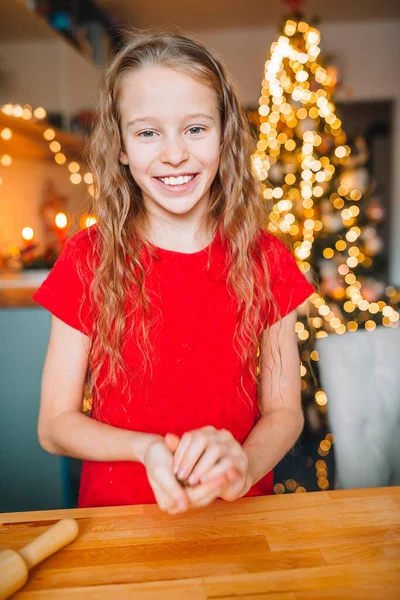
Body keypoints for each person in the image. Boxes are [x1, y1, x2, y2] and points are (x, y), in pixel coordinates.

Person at [33, 29, 315, 515]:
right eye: (147, 132)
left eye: (195, 128)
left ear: (224, 134)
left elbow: (285, 412)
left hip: (242, 518)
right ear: (120, 145)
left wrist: (245, 465)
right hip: (118, 524)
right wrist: (146, 449)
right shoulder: (87, 259)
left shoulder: (267, 259)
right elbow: (54, 425)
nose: (175, 154)